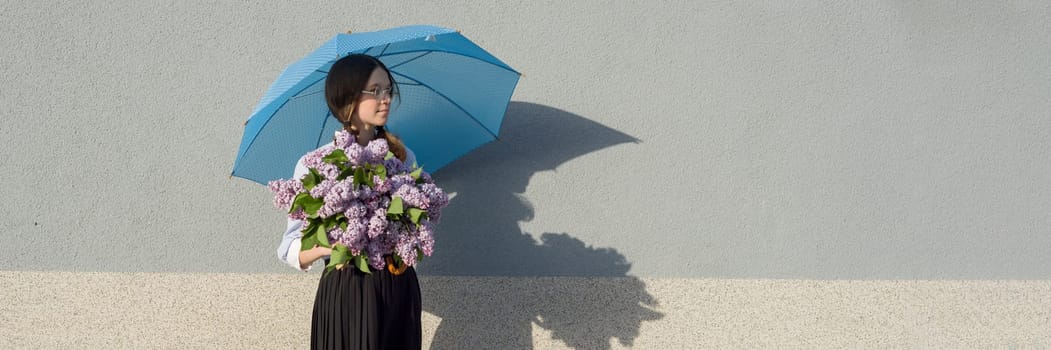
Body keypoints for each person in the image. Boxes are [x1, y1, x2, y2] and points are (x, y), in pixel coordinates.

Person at [277, 54, 422, 350]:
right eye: (376, 90)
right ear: (349, 98)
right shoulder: (316, 164)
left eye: (388, 90)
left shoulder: (403, 158)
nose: (386, 99)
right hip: (348, 289)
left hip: (398, 287)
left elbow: (418, 223)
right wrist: (330, 246)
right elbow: (290, 248)